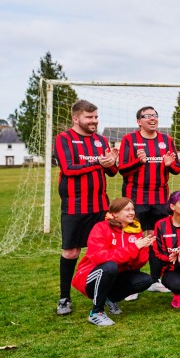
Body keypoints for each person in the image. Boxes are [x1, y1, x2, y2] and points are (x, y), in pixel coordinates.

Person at [54, 99, 118, 316]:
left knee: (103, 252)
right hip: (74, 206)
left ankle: (105, 294)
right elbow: (68, 168)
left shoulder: (101, 140)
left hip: (100, 206)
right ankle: (64, 297)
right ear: (76, 118)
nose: (94, 121)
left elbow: (111, 172)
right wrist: (98, 163)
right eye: (89, 118)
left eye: (96, 117)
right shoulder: (64, 139)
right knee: (71, 252)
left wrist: (111, 163)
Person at [118, 106, 180, 293]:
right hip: (135, 196)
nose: (152, 119)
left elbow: (177, 169)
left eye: (155, 115)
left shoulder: (166, 140)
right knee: (134, 239)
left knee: (155, 238)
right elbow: (122, 169)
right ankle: (132, 283)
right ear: (139, 121)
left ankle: (155, 280)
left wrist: (170, 165)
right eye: (147, 116)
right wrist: (139, 161)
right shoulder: (129, 140)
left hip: (160, 197)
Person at [71, 197, 155, 326]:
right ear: (115, 214)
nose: (132, 212)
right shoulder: (101, 228)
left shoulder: (135, 231)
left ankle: (109, 299)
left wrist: (144, 248)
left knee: (145, 280)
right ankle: (96, 313)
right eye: (127, 209)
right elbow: (98, 257)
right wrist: (133, 248)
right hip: (90, 277)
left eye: (132, 209)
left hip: (115, 276)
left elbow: (136, 264)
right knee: (110, 266)